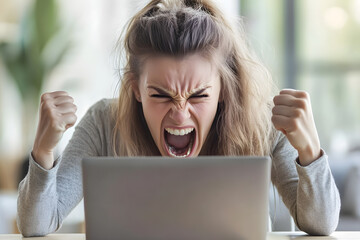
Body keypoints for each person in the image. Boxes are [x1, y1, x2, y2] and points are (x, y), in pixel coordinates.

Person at [17, 0, 340, 237]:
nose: (180, 113)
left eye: (198, 95)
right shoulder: (104, 121)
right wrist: (44, 150)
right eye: (160, 95)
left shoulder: (261, 123)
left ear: (224, 90)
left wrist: (310, 152)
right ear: (136, 89)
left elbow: (320, 224)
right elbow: (37, 225)